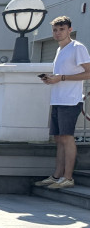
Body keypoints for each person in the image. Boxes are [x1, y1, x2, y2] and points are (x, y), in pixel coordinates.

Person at [35, 16, 90, 190]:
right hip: (58, 99)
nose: (58, 33)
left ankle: (68, 177)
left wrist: (63, 78)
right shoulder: (60, 50)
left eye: (61, 29)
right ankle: (57, 176)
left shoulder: (77, 48)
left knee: (67, 138)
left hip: (71, 100)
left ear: (69, 30)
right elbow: (62, 75)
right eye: (55, 30)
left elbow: (88, 73)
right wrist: (52, 79)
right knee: (59, 139)